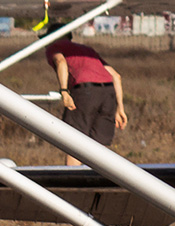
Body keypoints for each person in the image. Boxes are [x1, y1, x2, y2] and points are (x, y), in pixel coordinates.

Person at [45, 36, 126, 166]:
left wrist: (64, 91)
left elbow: (60, 61)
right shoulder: (87, 50)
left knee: (74, 143)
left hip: (85, 91)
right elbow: (116, 76)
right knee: (100, 146)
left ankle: (72, 176)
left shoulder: (54, 47)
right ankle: (98, 177)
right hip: (108, 92)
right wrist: (119, 108)